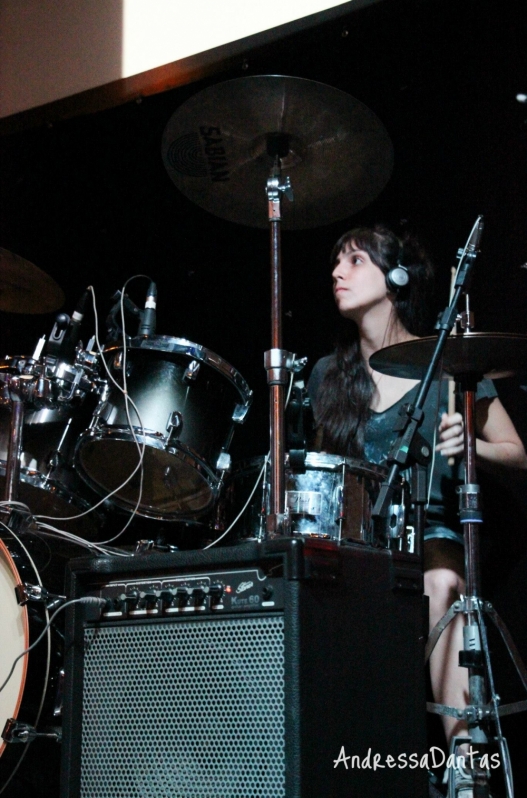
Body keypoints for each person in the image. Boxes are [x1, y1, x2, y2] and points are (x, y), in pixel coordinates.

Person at [307, 224, 527, 798]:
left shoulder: (450, 363)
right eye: (335, 261)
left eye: (355, 260)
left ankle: (463, 758)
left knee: (440, 578)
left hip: (430, 530)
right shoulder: (327, 377)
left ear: (396, 277)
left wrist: (470, 445)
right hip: (359, 537)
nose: (337, 272)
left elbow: (517, 454)